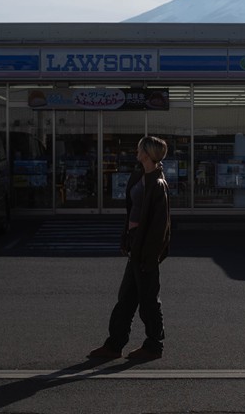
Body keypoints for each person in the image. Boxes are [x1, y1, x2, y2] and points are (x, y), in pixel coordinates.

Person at [88, 136, 171, 361]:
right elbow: (132, 211)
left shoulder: (158, 183)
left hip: (146, 249)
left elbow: (159, 227)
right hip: (135, 243)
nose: (136, 150)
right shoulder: (140, 176)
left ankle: (154, 345)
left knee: (148, 300)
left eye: (139, 147)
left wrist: (149, 255)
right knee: (126, 298)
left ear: (147, 153)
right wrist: (126, 239)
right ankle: (114, 344)